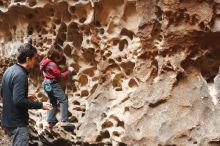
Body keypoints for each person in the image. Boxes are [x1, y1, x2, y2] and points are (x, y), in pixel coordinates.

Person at [0, 43, 52, 146]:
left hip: (8, 121)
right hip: (18, 124)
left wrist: (24, 96)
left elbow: (3, 92)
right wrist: (40, 105)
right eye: (34, 58)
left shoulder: (9, 70)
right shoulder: (21, 75)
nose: (35, 61)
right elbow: (19, 102)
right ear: (28, 59)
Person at [40, 43, 74, 128]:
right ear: (56, 57)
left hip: (45, 84)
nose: (61, 58)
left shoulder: (44, 61)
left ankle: (50, 122)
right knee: (63, 100)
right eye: (60, 56)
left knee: (52, 102)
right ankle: (64, 121)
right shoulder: (53, 65)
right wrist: (69, 72)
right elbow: (60, 75)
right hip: (53, 84)